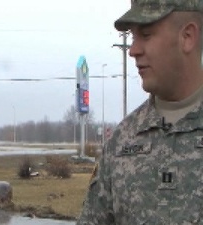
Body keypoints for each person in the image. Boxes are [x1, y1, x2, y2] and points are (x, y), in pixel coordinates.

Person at [76, 0, 203, 224]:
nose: (133, 50)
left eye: (146, 35)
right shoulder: (122, 139)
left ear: (187, 37)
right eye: (133, 37)